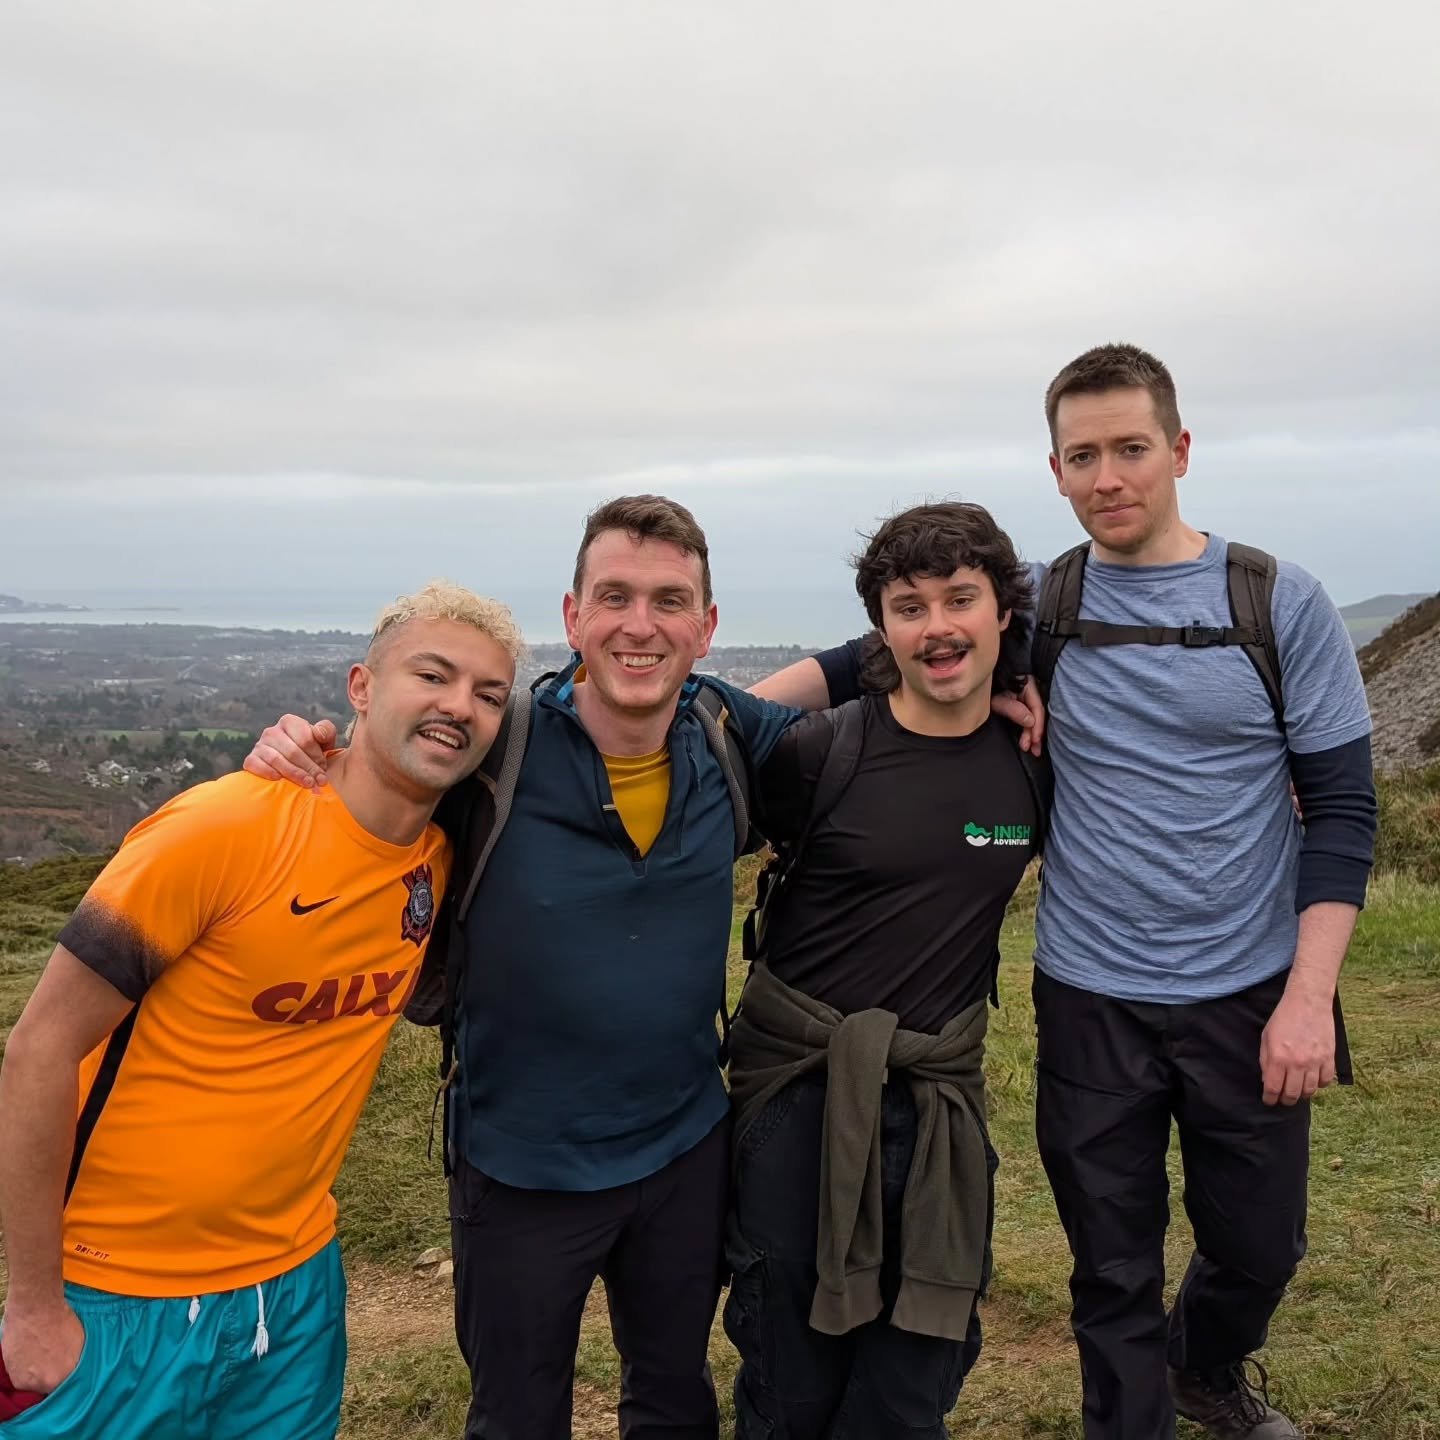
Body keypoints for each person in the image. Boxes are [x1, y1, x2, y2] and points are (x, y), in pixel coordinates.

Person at [756, 343, 1377, 1440]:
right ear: (1055, 471)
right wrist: (703, 721)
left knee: (1261, 1246)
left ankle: (1205, 1365)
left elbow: (1341, 810)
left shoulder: (1280, 602)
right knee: (1112, 1267)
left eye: (1131, 448)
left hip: (1250, 985)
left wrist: (1306, 998)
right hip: (1091, 993)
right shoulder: (1042, 601)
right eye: (1082, 456)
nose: (1109, 477)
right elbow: (874, 657)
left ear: (1180, 449)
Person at [0, 581, 521, 1440]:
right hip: (117, 1289)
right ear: (361, 687)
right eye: (432, 675)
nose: (459, 706)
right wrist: (32, 1305)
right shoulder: (221, 829)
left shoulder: (438, 860)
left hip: (296, 1289)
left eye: (489, 694)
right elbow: (38, 1051)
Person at [725, 502, 1046, 1439]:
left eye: (960, 599)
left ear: (1002, 613)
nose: (937, 627)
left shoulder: (1034, 763)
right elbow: (686, 802)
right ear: (881, 630)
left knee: (913, 1385)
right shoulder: (821, 751)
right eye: (910, 608)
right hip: (796, 1099)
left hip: (940, 1106)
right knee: (789, 1380)